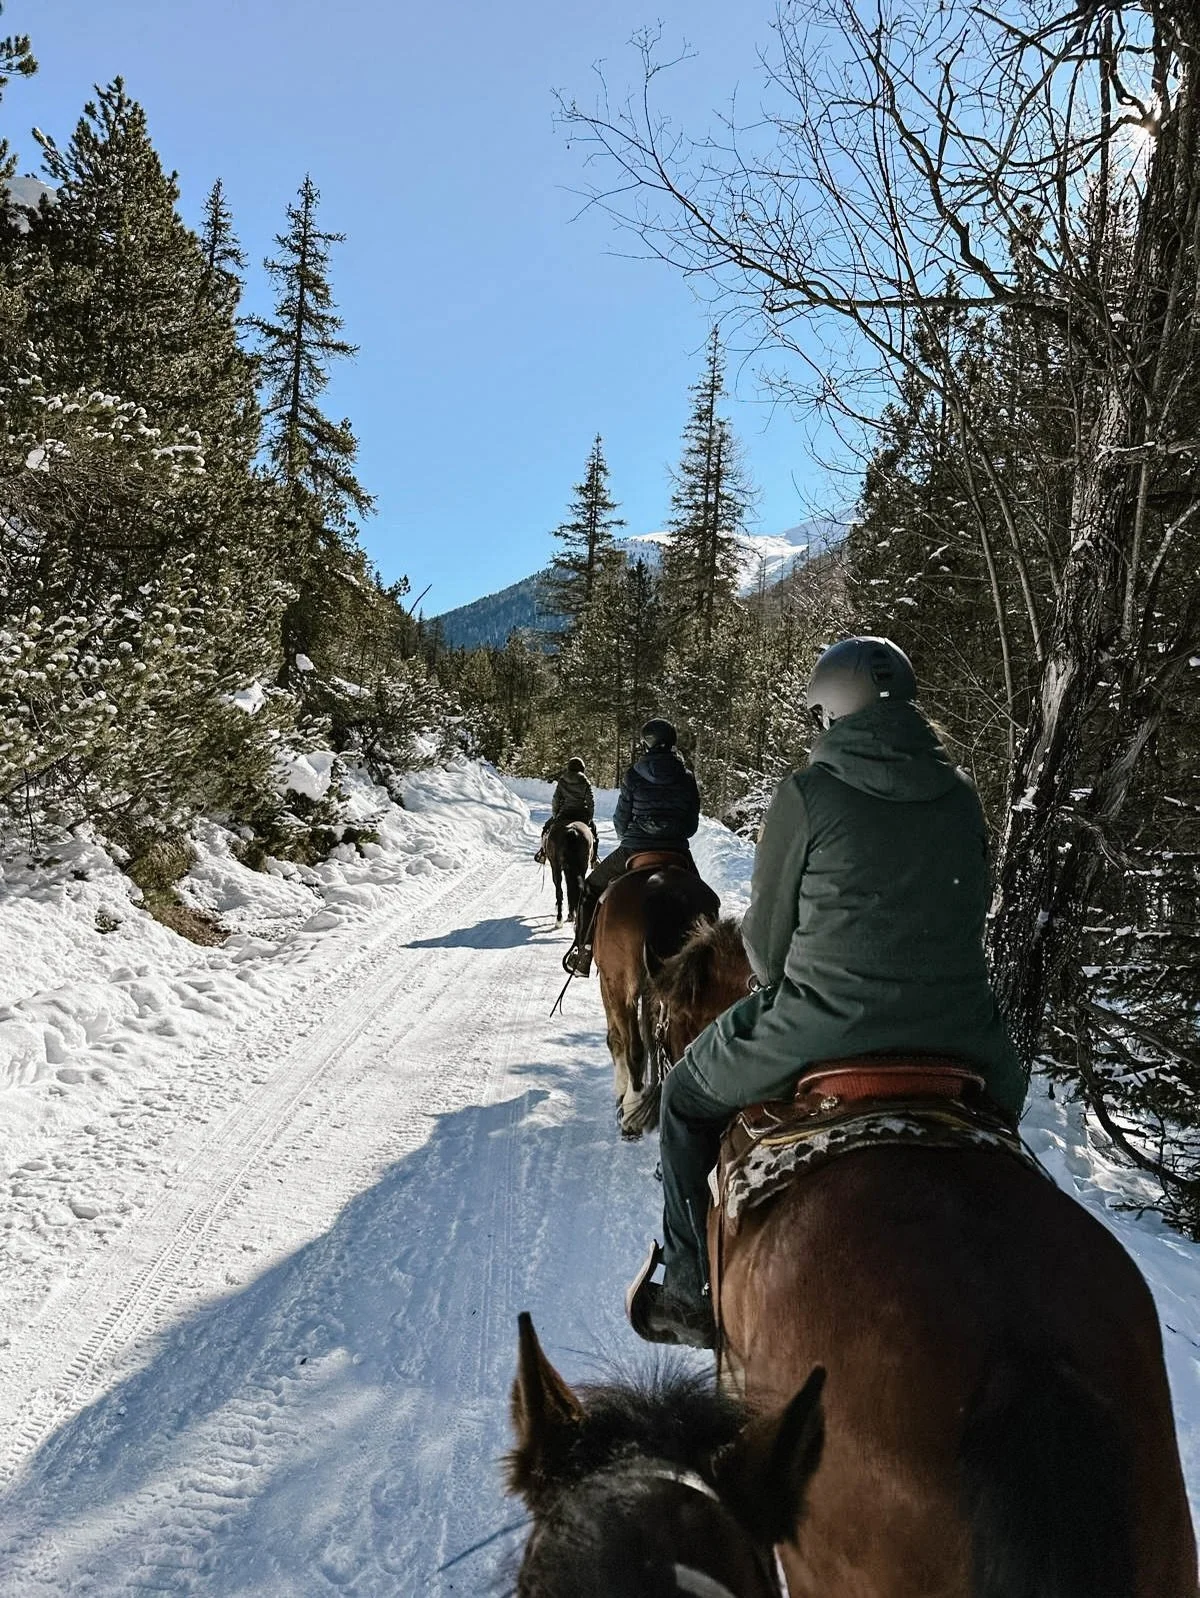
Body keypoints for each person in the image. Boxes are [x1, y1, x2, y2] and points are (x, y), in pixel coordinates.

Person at [630, 637, 1026, 1349]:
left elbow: (766, 952)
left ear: (831, 713)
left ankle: (688, 1286)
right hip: (964, 1031)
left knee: (684, 1098)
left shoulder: (808, 792)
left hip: (822, 1028)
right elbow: (969, 912)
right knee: (1002, 1125)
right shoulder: (963, 796)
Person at [562, 719, 701, 978]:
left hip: (635, 848)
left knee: (591, 888)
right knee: (706, 901)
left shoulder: (634, 773)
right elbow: (691, 823)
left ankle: (583, 951)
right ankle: (706, 963)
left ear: (646, 743)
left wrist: (630, 837)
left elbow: (621, 820)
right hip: (677, 850)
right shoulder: (686, 776)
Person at [535, 757, 599, 862]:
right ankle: (593, 860)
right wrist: (589, 817)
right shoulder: (585, 782)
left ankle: (543, 853)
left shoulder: (562, 781)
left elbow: (556, 800)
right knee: (594, 835)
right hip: (581, 815)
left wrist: (555, 816)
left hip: (564, 813)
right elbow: (590, 802)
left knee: (546, 829)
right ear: (582, 768)